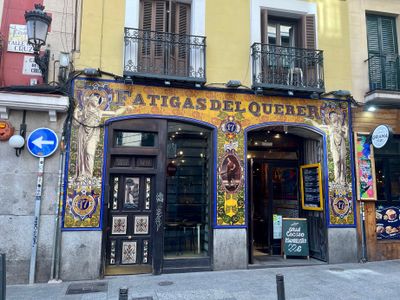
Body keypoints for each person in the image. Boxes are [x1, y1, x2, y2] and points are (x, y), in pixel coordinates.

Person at [74, 93, 102, 181]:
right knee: (83, 153)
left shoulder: (99, 112)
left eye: (98, 101)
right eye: (96, 100)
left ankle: (88, 176)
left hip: (93, 133)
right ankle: (82, 174)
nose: (97, 102)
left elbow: (114, 113)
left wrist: (125, 108)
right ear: (90, 100)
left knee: (89, 152)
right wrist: (75, 112)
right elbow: (75, 124)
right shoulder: (83, 112)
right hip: (83, 133)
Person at [328, 111, 347, 184]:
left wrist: (346, 130)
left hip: (341, 143)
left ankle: (342, 180)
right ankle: (337, 180)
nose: (333, 117)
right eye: (332, 116)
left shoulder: (340, 127)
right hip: (334, 145)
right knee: (336, 161)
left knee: (342, 161)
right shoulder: (330, 127)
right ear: (330, 118)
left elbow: (345, 137)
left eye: (334, 116)